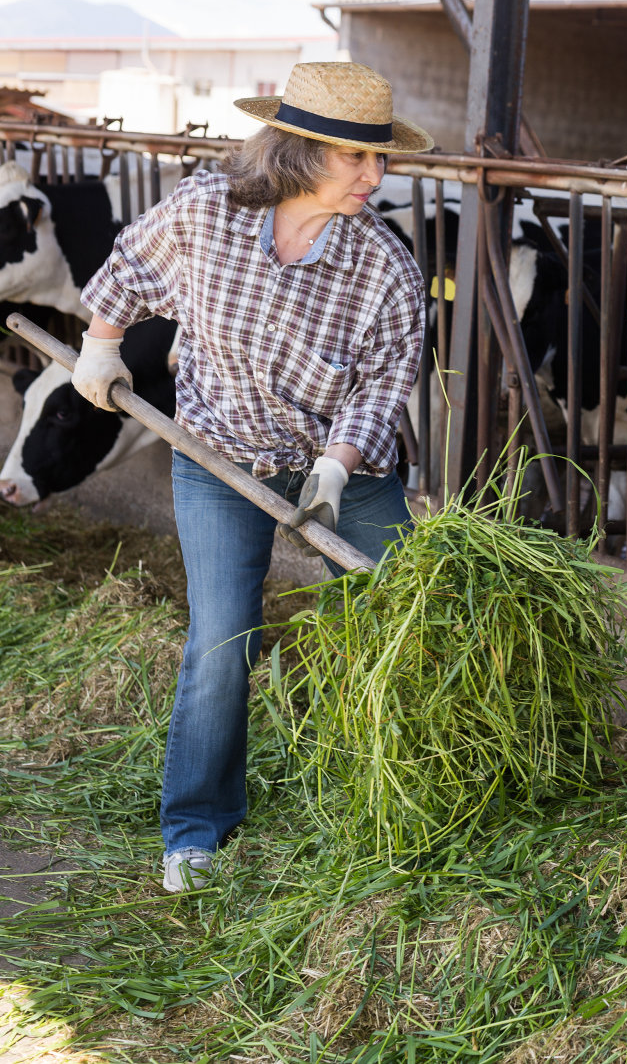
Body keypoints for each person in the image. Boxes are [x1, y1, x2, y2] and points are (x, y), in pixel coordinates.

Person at [72, 62, 433, 892]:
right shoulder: (207, 212)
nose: (376, 177)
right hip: (217, 456)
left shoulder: (385, 268)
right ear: (303, 151)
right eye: (359, 159)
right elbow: (131, 260)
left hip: (347, 466)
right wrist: (102, 339)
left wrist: (335, 473)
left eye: (383, 160)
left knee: (398, 616)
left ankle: (392, 799)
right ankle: (196, 830)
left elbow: (382, 389)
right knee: (222, 641)